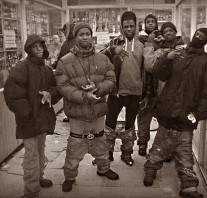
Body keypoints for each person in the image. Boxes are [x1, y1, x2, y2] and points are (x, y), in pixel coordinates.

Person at [143, 27, 207, 198]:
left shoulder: (205, 60)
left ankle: (189, 187)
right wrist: (167, 58)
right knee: (158, 147)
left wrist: (199, 114)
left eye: (202, 37)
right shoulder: (178, 52)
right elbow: (160, 74)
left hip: (187, 114)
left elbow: (206, 89)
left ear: (206, 41)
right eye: (197, 34)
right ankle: (150, 171)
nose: (198, 37)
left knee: (185, 153)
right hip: (168, 109)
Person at [55, 22, 118, 193]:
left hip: (98, 110)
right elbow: (63, 87)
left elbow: (111, 80)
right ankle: (69, 176)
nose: (85, 37)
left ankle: (104, 168)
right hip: (77, 113)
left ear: (92, 36)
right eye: (81, 34)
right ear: (75, 37)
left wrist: (98, 89)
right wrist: (83, 96)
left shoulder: (103, 59)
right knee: (75, 145)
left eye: (87, 34)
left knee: (100, 141)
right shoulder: (64, 61)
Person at [3, 34, 62, 198]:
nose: (38, 49)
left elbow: (56, 88)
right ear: (29, 48)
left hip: (42, 119)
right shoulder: (21, 68)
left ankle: (39, 177)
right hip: (29, 121)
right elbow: (12, 94)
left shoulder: (47, 69)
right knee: (31, 156)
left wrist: (50, 93)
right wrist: (26, 113)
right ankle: (31, 190)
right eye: (35, 46)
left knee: (41, 151)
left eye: (41, 46)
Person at [100, 11, 145, 166]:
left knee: (130, 126)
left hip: (135, 93)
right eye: (126, 26)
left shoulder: (142, 45)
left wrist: (146, 94)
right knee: (109, 125)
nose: (129, 29)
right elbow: (98, 57)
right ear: (121, 27)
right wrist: (112, 50)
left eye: (132, 26)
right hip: (116, 92)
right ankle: (108, 153)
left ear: (136, 26)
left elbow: (147, 71)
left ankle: (127, 154)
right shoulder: (114, 43)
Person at [142, 22, 185, 162]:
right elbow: (150, 67)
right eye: (165, 31)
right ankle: (162, 150)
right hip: (163, 92)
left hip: (180, 93)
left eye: (170, 30)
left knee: (175, 124)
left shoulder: (185, 49)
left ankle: (171, 151)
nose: (168, 33)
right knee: (164, 122)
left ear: (175, 31)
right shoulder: (160, 51)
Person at [137, 14, 161, 157]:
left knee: (163, 119)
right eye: (148, 22)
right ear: (144, 25)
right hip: (145, 83)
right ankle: (142, 143)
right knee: (143, 116)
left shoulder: (162, 38)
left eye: (153, 22)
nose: (151, 24)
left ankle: (160, 147)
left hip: (159, 84)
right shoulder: (140, 40)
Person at [52, 21, 76, 123]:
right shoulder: (67, 43)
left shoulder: (74, 42)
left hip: (73, 75)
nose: (64, 32)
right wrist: (53, 66)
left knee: (72, 96)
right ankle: (71, 115)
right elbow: (61, 58)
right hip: (69, 75)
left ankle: (73, 115)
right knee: (69, 96)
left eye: (65, 30)